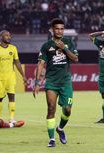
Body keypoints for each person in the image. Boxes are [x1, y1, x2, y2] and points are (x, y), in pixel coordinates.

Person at [33, 18, 78, 147]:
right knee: (51, 109)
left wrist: (64, 49)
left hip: (65, 82)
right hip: (51, 82)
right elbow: (41, 64)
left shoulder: (68, 42)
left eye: (62, 29)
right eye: (57, 28)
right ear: (52, 30)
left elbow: (75, 59)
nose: (60, 31)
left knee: (68, 110)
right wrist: (37, 83)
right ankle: (52, 139)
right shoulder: (46, 46)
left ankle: (60, 128)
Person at [0, 30, 27, 123]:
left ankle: (12, 118)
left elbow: (17, 62)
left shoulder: (13, 48)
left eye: (9, 35)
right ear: (1, 37)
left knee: (12, 96)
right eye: (6, 35)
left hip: (11, 77)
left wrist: (23, 75)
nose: (9, 37)